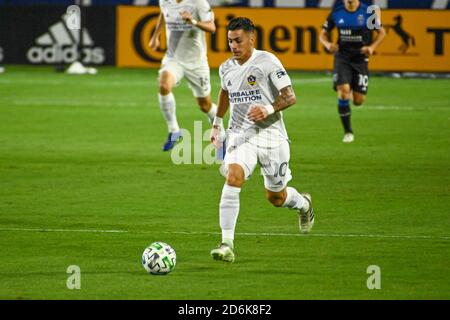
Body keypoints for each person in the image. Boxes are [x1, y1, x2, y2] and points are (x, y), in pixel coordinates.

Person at [209, 17, 315, 263]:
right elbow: (225, 91)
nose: (234, 46)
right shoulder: (226, 68)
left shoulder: (267, 61)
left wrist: (267, 109)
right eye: (230, 41)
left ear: (251, 39)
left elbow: (290, 97)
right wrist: (217, 123)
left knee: (276, 197)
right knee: (233, 176)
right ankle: (227, 243)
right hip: (241, 135)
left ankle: (303, 204)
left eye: (238, 40)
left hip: (271, 136)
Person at [149, 0, 217, 151]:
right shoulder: (165, 1)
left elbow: (212, 28)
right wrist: (155, 36)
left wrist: (192, 21)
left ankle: (217, 125)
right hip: (174, 59)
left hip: (196, 63)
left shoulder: (198, 3)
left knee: (205, 105)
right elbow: (164, 13)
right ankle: (174, 130)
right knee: (163, 85)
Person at [319, 0, 385, 143]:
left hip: (360, 59)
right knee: (343, 91)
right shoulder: (336, 12)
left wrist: (372, 47)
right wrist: (328, 44)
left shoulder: (368, 12)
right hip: (342, 57)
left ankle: (349, 99)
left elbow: (381, 32)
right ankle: (348, 131)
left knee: (358, 101)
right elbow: (322, 34)